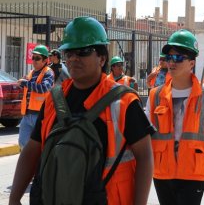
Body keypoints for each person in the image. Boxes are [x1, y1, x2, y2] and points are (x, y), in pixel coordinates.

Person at [9, 16, 155, 205]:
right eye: (69, 53)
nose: (74, 58)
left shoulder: (124, 101)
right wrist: (14, 199)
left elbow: (145, 156)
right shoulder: (54, 99)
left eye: (83, 52)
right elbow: (32, 149)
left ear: (102, 58)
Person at [146, 29, 204, 205]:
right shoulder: (155, 95)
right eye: (169, 58)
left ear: (191, 63)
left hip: (192, 173)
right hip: (162, 172)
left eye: (178, 58)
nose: (171, 63)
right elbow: (144, 137)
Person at [17, 44, 54, 148]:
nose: (34, 60)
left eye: (37, 58)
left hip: (41, 116)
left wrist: (25, 83)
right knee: (22, 142)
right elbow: (28, 89)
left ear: (45, 60)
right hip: (27, 114)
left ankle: (39, 163)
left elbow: (43, 88)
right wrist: (22, 85)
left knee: (41, 145)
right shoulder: (31, 73)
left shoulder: (48, 73)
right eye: (33, 57)